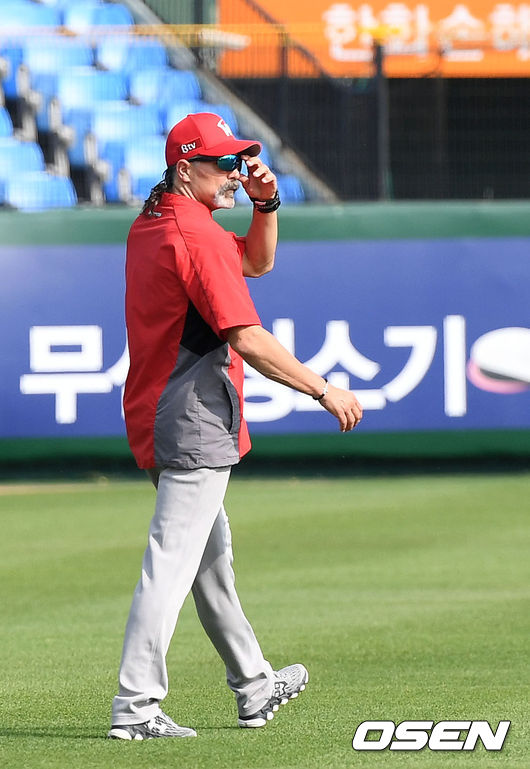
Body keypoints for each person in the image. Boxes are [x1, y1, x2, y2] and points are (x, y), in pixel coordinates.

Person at [108, 112, 363, 740]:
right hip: (190, 412)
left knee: (210, 562)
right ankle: (135, 707)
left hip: (160, 408)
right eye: (221, 163)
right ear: (184, 168)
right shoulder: (192, 233)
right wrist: (322, 388)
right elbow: (246, 336)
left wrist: (265, 204)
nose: (234, 172)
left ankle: (254, 685)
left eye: (237, 160)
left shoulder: (158, 219)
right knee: (172, 563)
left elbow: (254, 263)